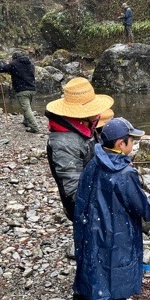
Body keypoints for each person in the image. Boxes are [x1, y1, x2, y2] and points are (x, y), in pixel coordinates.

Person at [73, 117, 150, 300]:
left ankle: (88, 297)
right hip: (114, 232)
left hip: (91, 227)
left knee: (95, 264)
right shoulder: (124, 173)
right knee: (116, 275)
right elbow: (141, 208)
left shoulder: (95, 161)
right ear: (119, 144)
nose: (133, 145)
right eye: (131, 141)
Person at [45, 77, 114, 223]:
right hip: (84, 206)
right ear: (80, 113)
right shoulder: (64, 142)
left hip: (94, 193)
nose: (99, 113)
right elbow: (73, 190)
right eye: (94, 109)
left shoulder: (84, 126)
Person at [0, 51, 39, 133]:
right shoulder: (30, 64)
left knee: (26, 109)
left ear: (14, 58)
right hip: (32, 89)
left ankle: (34, 127)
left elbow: (1, 69)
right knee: (27, 106)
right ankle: (26, 121)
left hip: (22, 90)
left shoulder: (14, 64)